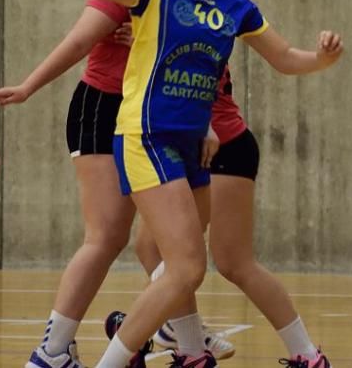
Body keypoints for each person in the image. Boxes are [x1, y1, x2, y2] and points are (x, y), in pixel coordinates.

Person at [65, 0, 343, 368]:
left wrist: (322, 59)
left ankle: (193, 351)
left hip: (194, 145)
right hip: (146, 136)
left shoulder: (234, 4)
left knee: (183, 268)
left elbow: (287, 58)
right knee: (185, 268)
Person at [0, 0, 234, 368]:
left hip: (159, 120)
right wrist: (28, 86)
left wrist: (205, 122)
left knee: (172, 243)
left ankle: (186, 345)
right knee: (105, 235)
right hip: (104, 109)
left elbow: (193, 66)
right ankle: (53, 349)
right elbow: (79, 40)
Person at [134, 64, 333, 367]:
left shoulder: (191, 27)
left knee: (234, 263)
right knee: (151, 248)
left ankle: (307, 354)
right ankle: (191, 344)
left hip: (221, 147)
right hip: (188, 147)